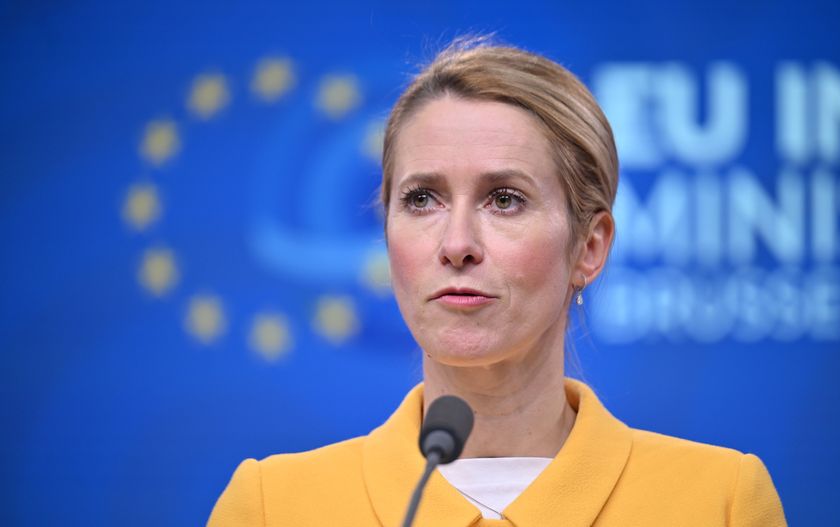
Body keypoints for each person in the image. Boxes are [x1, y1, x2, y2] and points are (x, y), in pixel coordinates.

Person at [208, 38, 787, 527]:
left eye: (504, 199)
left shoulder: (721, 502)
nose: (457, 243)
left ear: (589, 247)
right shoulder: (270, 507)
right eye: (421, 199)